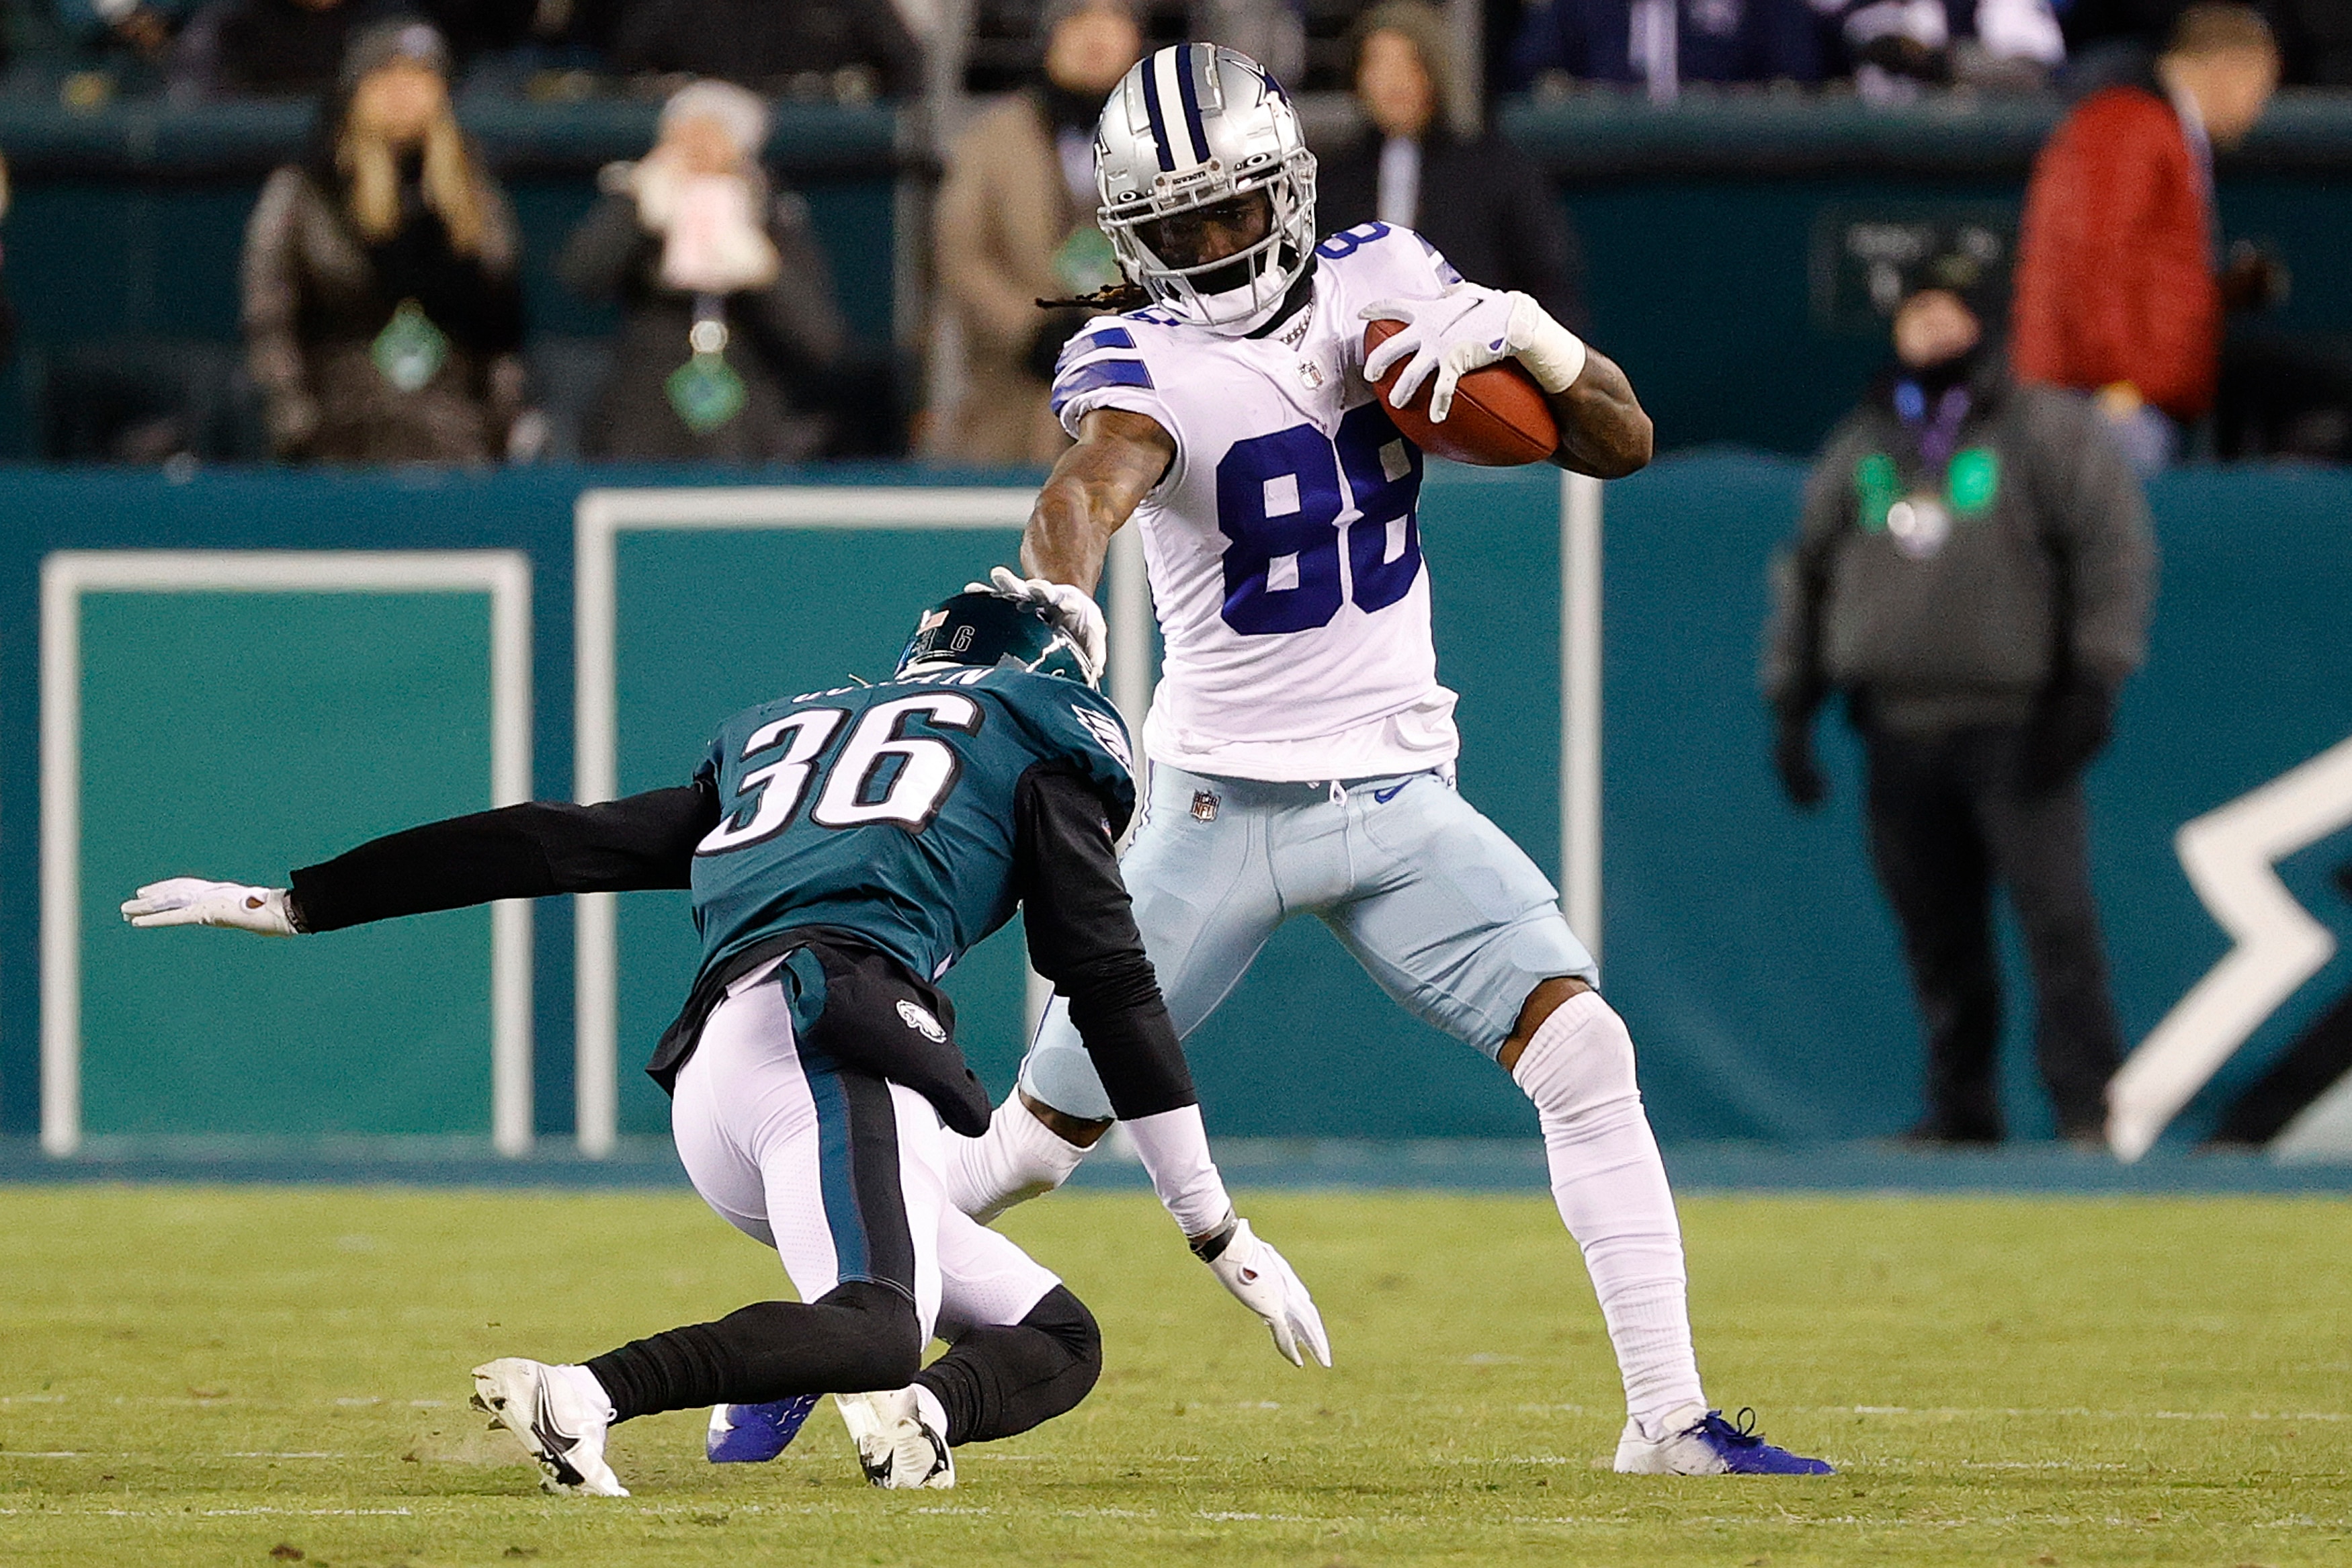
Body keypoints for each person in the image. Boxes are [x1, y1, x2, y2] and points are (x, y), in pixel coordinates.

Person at [950, 43, 1833, 1478]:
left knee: (1587, 1051)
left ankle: (1666, 1420)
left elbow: (1621, 441)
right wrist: (1055, 598)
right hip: (1220, 812)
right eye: (1178, 230)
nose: (1213, 249)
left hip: (1400, 796)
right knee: (1037, 1144)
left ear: (1290, 191)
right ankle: (820, 1327)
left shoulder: (1385, 275)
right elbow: (1086, 485)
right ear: (1131, 240)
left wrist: (1527, 339)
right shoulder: (1135, 356)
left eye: (1234, 214)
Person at [121, 577, 1327, 1496]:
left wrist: (299, 900)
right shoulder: (1039, 736)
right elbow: (1111, 978)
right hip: (830, 1036)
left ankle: (920, 1421)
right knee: (877, 1318)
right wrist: (1212, 1222)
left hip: (721, 1065)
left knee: (1056, 1336)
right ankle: (584, 1393)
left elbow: (561, 840)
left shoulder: (789, 740)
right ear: (1052, 678)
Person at [1761, 249, 2156, 1147]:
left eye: (1948, 311)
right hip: (1899, 727)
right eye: (1915, 314)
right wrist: (1794, 700)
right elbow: (1809, 570)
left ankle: (2087, 1113)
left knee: (2056, 923)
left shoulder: (2043, 432)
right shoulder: (1864, 442)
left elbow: (2113, 550)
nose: (1931, 330)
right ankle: (1963, 1110)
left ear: (1982, 321)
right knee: (1938, 937)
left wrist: (2095, 678)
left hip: (2015, 726)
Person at [2009, 3, 2283, 474]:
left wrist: (2227, 293)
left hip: (2121, 401)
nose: (2259, 108)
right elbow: (2096, 260)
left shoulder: (2156, 127)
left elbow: (2147, 279)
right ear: (2229, 70)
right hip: (2105, 407)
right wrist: (2120, 383)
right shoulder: (2129, 124)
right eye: (2261, 86)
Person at [241, 20, 529, 464]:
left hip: (454, 437)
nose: (402, 91)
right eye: (385, 76)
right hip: (340, 436)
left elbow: (502, 331)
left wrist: (498, 425)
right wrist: (297, 423)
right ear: (355, 90)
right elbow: (270, 319)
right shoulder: (310, 190)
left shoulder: (474, 198)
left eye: (419, 76)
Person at [558, 79, 850, 462]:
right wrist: (636, 212)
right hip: (645, 420)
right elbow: (579, 276)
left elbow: (821, 342)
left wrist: (765, 272)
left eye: (714, 138)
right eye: (684, 139)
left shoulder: (773, 219)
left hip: (744, 424)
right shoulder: (642, 206)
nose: (697, 153)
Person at [929, 0, 1143, 466]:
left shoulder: (1163, 139)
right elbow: (960, 255)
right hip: (1013, 395)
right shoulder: (992, 137)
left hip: (1139, 386)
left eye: (1113, 20)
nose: (1097, 37)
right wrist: (1033, 330)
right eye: (1079, 19)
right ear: (1049, 37)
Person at [1316, 1, 1585, 331]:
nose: (1393, 82)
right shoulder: (1331, 183)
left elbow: (1549, 285)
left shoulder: (1497, 171)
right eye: (1379, 65)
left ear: (1434, 71)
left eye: (1409, 64)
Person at [1509, 0, 1824, 98]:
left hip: (1729, 174)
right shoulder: (1584, 6)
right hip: (1611, 173)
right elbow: (1534, 73)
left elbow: (1796, 81)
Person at [612, 0, 923, 99]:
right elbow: (628, 72)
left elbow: (903, 63)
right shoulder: (672, 8)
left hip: (816, 159)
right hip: (705, 160)